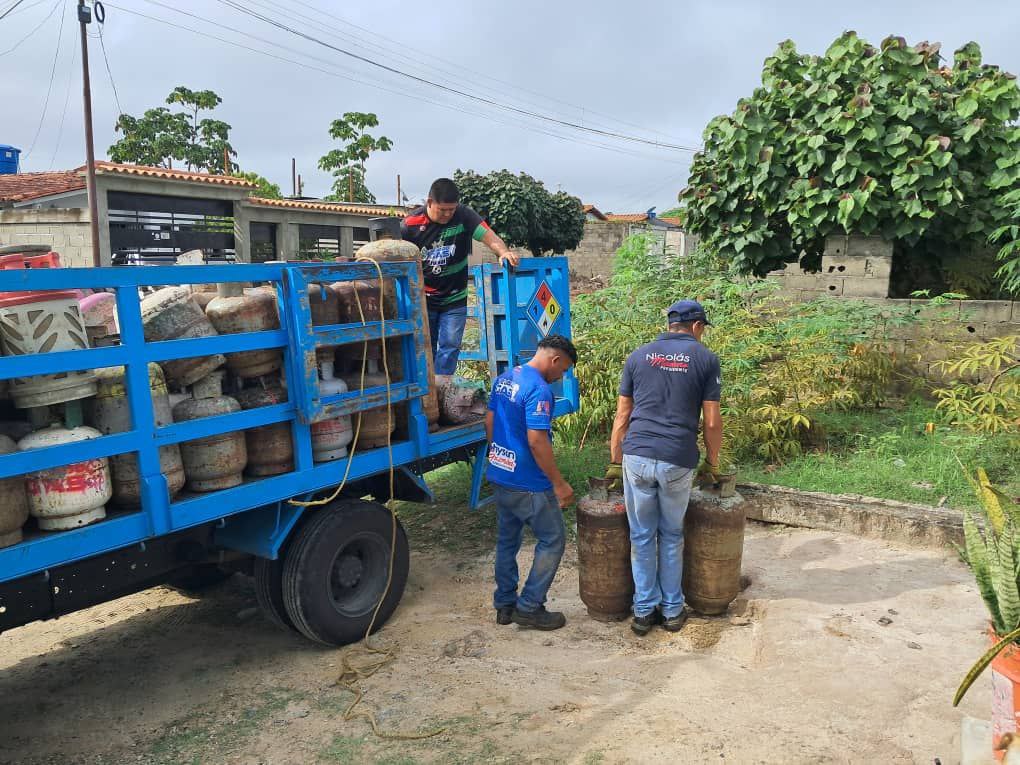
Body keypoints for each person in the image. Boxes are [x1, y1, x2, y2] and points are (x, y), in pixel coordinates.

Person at [606, 300, 723, 636]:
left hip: (637, 456)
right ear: (697, 326)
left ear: (670, 324)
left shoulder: (637, 356)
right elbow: (712, 421)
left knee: (642, 535)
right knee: (671, 535)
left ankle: (644, 612)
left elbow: (622, 415)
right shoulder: (706, 359)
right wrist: (713, 462)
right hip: (677, 458)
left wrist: (615, 461)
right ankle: (672, 611)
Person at [485, 335, 578, 631]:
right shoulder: (539, 389)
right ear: (555, 359)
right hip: (528, 483)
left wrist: (499, 455)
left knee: (507, 541)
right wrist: (559, 483)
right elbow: (537, 441)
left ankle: (505, 605)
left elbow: (490, 421)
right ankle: (529, 606)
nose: (561, 376)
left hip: (501, 475)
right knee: (553, 539)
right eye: (564, 369)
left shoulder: (505, 379)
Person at [401, 178, 520, 375]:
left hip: (455, 299)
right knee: (424, 349)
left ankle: (443, 387)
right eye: (443, 210)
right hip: (423, 299)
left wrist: (504, 252)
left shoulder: (464, 215)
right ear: (429, 202)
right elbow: (396, 256)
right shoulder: (409, 225)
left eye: (452, 209)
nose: (448, 214)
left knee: (450, 347)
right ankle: (428, 389)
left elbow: (489, 236)